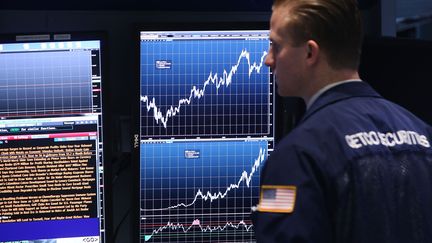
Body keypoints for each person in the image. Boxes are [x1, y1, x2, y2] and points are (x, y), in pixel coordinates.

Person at [251, 0, 432, 242]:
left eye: (276, 45)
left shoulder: (297, 155)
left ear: (309, 53)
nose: (268, 59)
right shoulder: (423, 134)